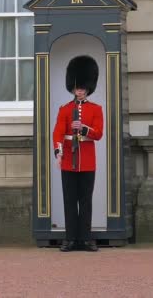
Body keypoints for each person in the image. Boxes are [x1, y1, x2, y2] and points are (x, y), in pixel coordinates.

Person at [52, 55, 103, 252]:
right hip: (68, 161)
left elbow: (98, 134)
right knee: (69, 201)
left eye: (83, 87)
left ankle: (86, 238)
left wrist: (83, 129)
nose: (80, 90)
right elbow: (57, 131)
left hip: (88, 161)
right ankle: (70, 238)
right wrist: (58, 151)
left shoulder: (96, 109)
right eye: (77, 87)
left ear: (88, 88)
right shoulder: (65, 109)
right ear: (73, 88)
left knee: (86, 201)